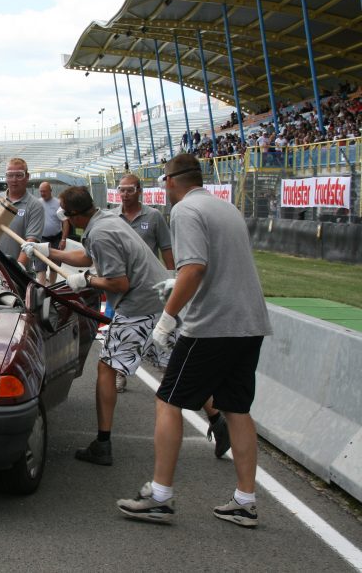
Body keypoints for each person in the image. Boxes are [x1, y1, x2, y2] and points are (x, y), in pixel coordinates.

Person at [116, 154, 272, 528]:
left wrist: (168, 317)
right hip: (249, 323)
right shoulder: (226, 208)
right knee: (236, 408)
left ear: (171, 181)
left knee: (168, 401)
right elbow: (214, 265)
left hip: (212, 325)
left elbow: (195, 267)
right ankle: (245, 500)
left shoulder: (184, 212)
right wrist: (180, 279)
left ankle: (160, 495)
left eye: (162, 180)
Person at [24, 186, 171, 468]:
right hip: (157, 300)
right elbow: (87, 258)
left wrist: (86, 281)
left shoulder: (101, 233)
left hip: (137, 306)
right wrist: (49, 251)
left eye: (66, 215)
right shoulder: (103, 220)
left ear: (76, 215)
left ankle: (102, 444)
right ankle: (218, 420)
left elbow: (118, 283)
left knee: (106, 367)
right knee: (173, 365)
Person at [113, 173, 175, 394]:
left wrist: (171, 277)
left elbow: (166, 248)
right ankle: (120, 373)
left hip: (153, 286)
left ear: (139, 191)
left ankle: (169, 376)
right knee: (122, 331)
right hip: (123, 286)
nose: (125, 194)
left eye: (130, 190)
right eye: (122, 190)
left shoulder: (154, 216)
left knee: (160, 331)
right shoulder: (113, 218)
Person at [35, 181, 63, 284]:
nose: (42, 193)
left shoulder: (58, 203)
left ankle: (52, 287)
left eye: (45, 191)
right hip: (42, 238)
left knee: (54, 266)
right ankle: (41, 288)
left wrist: (63, 239)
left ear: (50, 191)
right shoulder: (37, 203)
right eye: (41, 191)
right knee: (40, 266)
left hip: (56, 238)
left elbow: (65, 222)